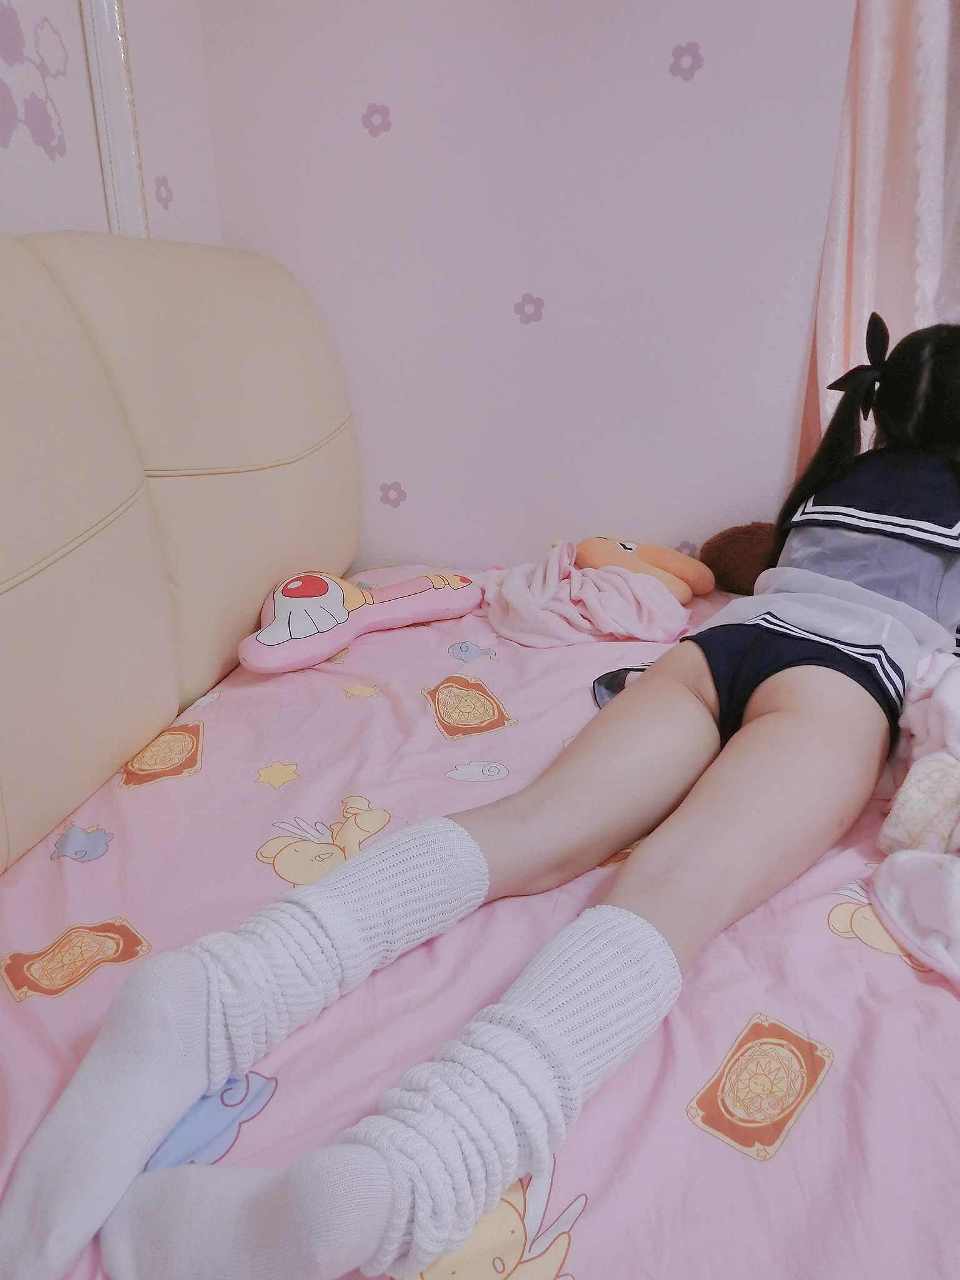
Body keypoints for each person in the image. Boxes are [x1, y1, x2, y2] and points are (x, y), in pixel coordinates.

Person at [4, 314, 960, 1280]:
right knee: (674, 894)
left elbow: (745, 558)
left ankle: (222, 990)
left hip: (717, 651)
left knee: (527, 828)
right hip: (840, 681)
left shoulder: (837, 482)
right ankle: (418, 1170)